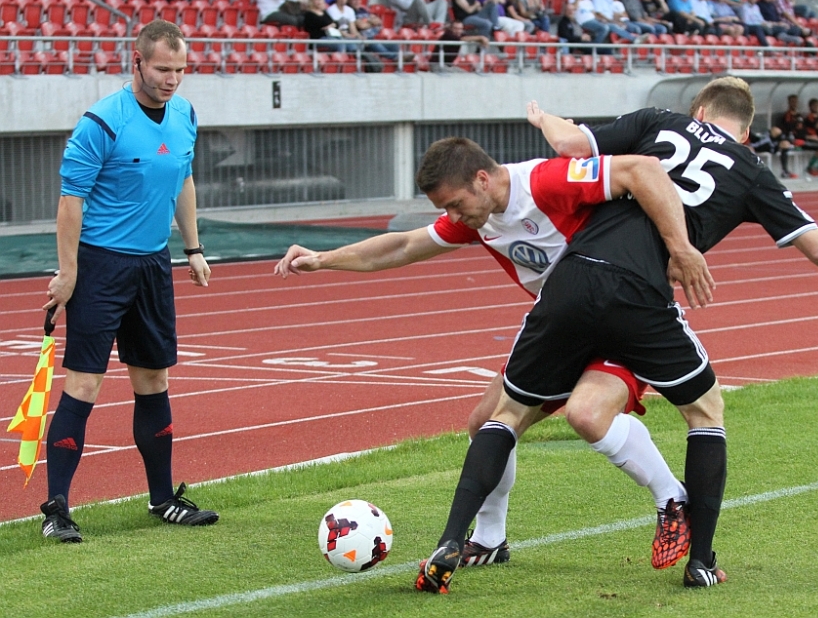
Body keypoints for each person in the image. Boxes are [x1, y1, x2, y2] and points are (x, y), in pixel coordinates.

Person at [413, 80, 818, 594]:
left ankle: (453, 538)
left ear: (698, 111)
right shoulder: (751, 171)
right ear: (746, 131)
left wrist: (544, 117)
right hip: (640, 291)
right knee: (704, 411)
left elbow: (571, 143)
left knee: (506, 414)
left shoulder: (658, 121)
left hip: (570, 280)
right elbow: (817, 244)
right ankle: (702, 561)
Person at [276, 135, 713, 572]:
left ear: (482, 179)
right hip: (561, 328)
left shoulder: (545, 182)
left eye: (454, 204)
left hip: (620, 315)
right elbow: (404, 246)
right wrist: (323, 260)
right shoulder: (478, 216)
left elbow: (640, 169)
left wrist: (680, 248)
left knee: (587, 415)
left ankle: (672, 498)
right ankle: (489, 539)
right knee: (485, 422)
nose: (453, 216)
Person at [39, 20, 218, 543]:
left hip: (152, 265)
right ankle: (56, 510)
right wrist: (68, 273)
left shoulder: (185, 115)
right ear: (136, 61)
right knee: (84, 384)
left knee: (154, 380)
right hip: (101, 266)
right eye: (163, 69)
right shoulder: (102, 121)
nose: (172, 80)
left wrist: (193, 248)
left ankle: (162, 499)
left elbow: (183, 177)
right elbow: (70, 202)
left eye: (180, 70)